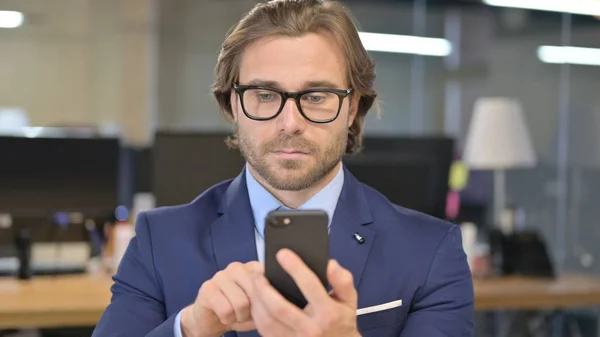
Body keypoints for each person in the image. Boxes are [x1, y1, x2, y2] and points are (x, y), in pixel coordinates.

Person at [92, 0, 474, 336]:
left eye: (317, 95)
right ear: (234, 104)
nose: (290, 122)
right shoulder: (159, 241)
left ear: (353, 107)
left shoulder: (430, 253)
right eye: (264, 95)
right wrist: (189, 328)